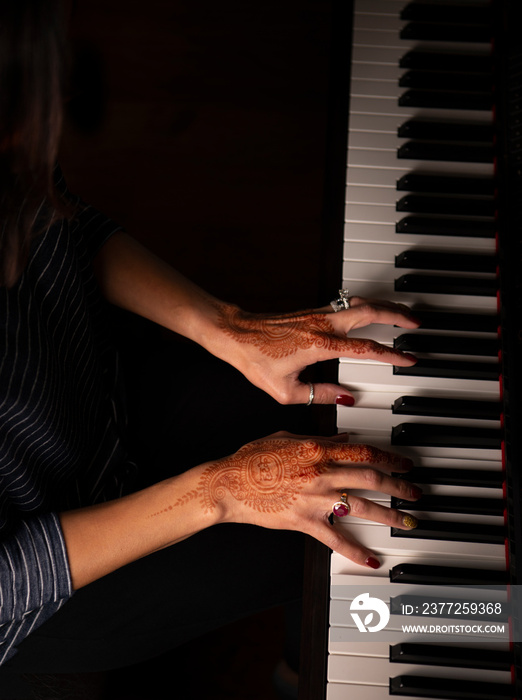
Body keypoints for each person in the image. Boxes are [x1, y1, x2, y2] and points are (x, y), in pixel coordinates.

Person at [0, 1, 422, 696]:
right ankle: (449, 634)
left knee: (355, 382)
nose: (62, 100)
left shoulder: (12, 149)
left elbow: (62, 218)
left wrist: (228, 326)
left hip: (105, 397)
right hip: (57, 572)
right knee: (356, 537)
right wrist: (222, 489)